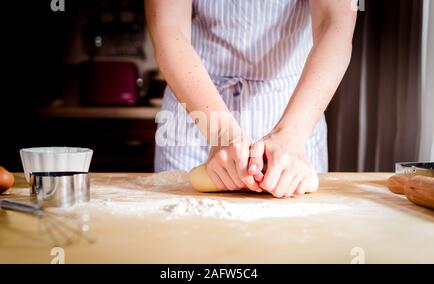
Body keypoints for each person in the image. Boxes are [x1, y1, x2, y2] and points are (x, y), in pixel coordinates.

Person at [146, 0, 357, 197]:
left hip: (296, 112)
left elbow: (336, 25)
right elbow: (168, 29)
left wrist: (292, 134)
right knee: (184, 231)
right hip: (195, 109)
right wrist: (221, 132)